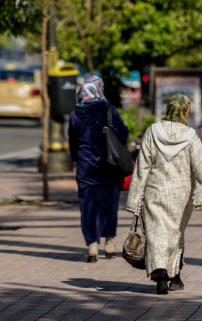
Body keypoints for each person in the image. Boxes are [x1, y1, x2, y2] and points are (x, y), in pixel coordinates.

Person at [125, 93, 202, 295]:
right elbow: (201, 166)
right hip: (181, 196)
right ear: (185, 111)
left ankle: (160, 274)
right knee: (175, 234)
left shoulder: (152, 132)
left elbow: (142, 168)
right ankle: (173, 276)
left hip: (154, 192)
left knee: (157, 234)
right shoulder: (190, 135)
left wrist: (134, 199)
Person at [68, 74, 129, 263]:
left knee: (88, 208)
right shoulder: (109, 110)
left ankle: (92, 246)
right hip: (109, 167)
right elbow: (123, 134)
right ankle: (109, 244)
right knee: (109, 206)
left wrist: (78, 160)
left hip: (86, 169)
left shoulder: (75, 114)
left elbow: (72, 143)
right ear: (99, 89)